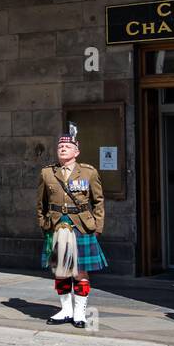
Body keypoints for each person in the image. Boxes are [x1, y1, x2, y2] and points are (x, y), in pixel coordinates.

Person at [37, 124, 106, 329]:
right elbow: (41, 203)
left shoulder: (88, 173)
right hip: (57, 226)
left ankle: (80, 312)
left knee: (80, 272)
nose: (63, 149)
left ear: (77, 151)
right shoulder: (47, 174)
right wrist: (43, 223)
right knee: (61, 270)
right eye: (60, 147)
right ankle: (65, 310)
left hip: (81, 226)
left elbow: (99, 201)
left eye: (67, 147)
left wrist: (98, 227)